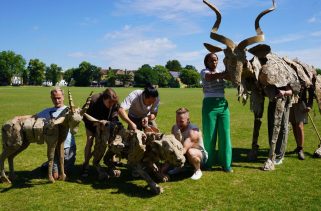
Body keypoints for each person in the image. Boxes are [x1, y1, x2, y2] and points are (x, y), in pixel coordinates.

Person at [201, 52, 233, 172]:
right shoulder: (204, 72)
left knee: (225, 135)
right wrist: (225, 73)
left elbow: (233, 77)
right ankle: (208, 163)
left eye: (216, 60)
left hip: (223, 105)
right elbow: (210, 77)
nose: (214, 62)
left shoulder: (221, 71)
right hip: (209, 106)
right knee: (209, 135)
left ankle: (226, 164)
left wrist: (232, 67)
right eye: (211, 60)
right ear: (206, 62)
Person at [36, 87, 76, 179]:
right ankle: (49, 164)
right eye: (54, 98)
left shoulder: (70, 110)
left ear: (63, 97)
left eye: (59, 98)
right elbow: (34, 116)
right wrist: (18, 118)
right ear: (51, 98)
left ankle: (48, 164)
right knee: (56, 176)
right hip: (53, 147)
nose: (57, 100)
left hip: (68, 148)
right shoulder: (47, 111)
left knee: (67, 172)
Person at [81, 88, 122, 177]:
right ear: (104, 98)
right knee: (90, 140)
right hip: (91, 123)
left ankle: (110, 162)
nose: (111, 105)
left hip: (105, 124)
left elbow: (115, 118)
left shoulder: (114, 103)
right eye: (109, 102)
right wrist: (96, 123)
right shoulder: (93, 100)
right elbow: (83, 114)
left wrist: (109, 124)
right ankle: (86, 164)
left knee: (111, 141)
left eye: (113, 103)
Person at [169, 107, 208, 180]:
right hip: (184, 154)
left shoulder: (193, 131)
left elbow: (184, 149)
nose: (178, 123)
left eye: (181, 121)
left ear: (188, 120)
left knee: (191, 151)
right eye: (177, 121)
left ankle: (198, 170)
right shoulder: (175, 127)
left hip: (199, 155)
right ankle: (180, 167)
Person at [265, 85, 292, 166]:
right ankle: (273, 152)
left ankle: (280, 155)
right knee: (271, 127)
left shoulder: (286, 75)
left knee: (282, 128)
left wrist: (284, 92)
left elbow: (291, 91)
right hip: (272, 102)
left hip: (283, 102)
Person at [289, 85, 314, 160]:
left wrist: (309, 105)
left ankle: (300, 149)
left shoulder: (304, 74)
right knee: (293, 124)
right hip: (290, 102)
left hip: (301, 103)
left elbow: (311, 90)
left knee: (299, 125)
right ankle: (298, 146)